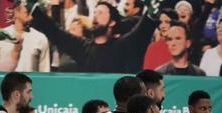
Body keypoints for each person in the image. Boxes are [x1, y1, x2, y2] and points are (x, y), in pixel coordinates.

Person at [28, 0, 159, 73]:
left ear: (112, 22)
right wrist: (33, 7)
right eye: (95, 12)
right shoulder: (82, 47)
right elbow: (55, 32)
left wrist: (151, 13)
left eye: (101, 12)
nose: (95, 15)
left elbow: (142, 31)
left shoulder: (123, 45)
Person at [0, 1, 50, 72]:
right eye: (27, 12)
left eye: (33, 13)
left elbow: (45, 71)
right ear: (16, 12)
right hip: (8, 81)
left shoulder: (40, 38)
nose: (31, 17)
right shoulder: (0, 36)